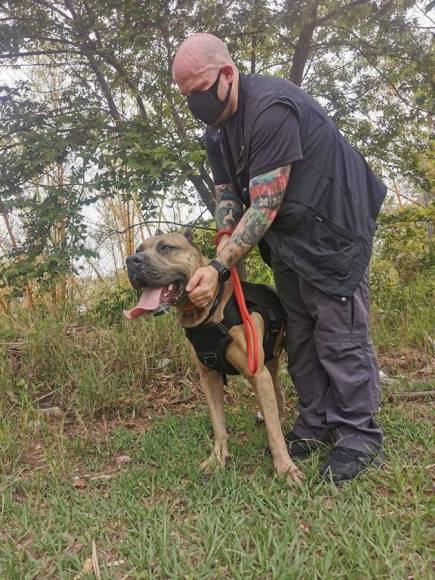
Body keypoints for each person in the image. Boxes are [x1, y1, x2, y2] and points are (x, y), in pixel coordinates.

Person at [172, 32, 386, 482]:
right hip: (288, 235)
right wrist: (225, 234)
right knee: (301, 330)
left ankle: (357, 436)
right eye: (186, 95)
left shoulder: (270, 108)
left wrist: (217, 267)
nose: (195, 102)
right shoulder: (217, 133)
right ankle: (315, 423)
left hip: (334, 223)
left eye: (199, 90)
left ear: (227, 74)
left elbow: (265, 203)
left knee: (337, 330)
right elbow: (230, 193)